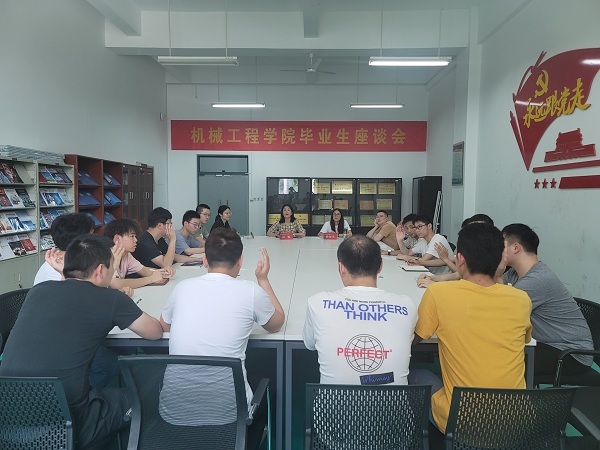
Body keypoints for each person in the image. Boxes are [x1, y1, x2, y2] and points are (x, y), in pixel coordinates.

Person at [0, 234, 163, 449]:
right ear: (100, 270)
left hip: (9, 414)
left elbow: (68, 300)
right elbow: (154, 333)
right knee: (142, 397)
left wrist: (64, 276)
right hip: (68, 423)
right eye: (112, 267)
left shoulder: (38, 291)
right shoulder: (111, 299)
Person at [410, 223, 532, 433]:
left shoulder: (439, 294)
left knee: (414, 373)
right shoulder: (521, 299)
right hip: (515, 422)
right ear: (501, 260)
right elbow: (525, 340)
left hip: (460, 421)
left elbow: (414, 339)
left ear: (460, 259)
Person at [159, 228, 285, 405]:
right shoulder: (250, 291)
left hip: (173, 409)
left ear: (205, 261)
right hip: (230, 412)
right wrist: (263, 279)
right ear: (240, 261)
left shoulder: (182, 287)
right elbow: (276, 324)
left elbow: (165, 326)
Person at [303, 235, 417, 385]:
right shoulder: (407, 306)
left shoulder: (317, 303)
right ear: (380, 266)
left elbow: (310, 344)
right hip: (392, 401)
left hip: (334, 401)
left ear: (341, 268)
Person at [501, 223, 594, 383]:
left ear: (515, 248)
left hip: (570, 353)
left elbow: (496, 306)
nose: (496, 250)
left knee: (503, 360)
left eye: (501, 246)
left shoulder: (537, 280)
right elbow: (489, 292)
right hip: (547, 344)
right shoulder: (513, 274)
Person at [417, 213, 495, 287]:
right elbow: (457, 275)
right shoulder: (471, 249)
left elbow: (471, 284)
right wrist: (431, 278)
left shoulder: (490, 255)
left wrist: (435, 285)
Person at [103, 218, 174, 289]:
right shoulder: (106, 255)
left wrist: (164, 272)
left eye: (135, 236)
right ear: (117, 239)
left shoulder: (127, 255)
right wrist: (150, 279)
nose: (136, 240)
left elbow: (144, 270)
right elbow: (115, 284)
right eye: (132, 236)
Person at [33, 212, 94, 284]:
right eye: (91, 235)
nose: (95, 239)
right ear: (80, 241)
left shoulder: (62, 260)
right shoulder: (61, 269)